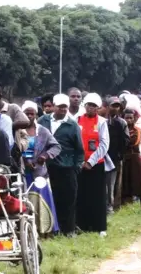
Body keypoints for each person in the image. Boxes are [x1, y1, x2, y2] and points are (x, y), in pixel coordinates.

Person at [37, 94, 84, 236]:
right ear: (54, 107)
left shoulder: (72, 125)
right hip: (46, 167)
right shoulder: (43, 121)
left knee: (68, 199)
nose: (63, 109)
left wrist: (76, 166)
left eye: (65, 107)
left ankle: (68, 229)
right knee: (49, 198)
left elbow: (79, 149)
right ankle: (50, 229)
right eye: (60, 107)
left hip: (66, 167)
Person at [21, 100, 62, 233]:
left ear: (36, 115)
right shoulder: (17, 131)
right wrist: (24, 160)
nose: (29, 116)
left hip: (39, 173)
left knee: (42, 201)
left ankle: (44, 229)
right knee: (24, 200)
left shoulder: (43, 131)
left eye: (32, 114)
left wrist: (45, 156)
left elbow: (56, 146)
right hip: (22, 173)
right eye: (27, 114)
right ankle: (26, 230)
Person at [76, 93, 110, 236]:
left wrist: (91, 161)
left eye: (94, 106)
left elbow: (104, 144)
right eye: (89, 105)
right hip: (80, 164)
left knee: (98, 195)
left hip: (96, 165)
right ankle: (82, 225)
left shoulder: (102, 122)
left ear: (98, 108)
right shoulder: (77, 120)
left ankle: (99, 226)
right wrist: (80, 161)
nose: (91, 108)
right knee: (81, 195)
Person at [100, 97, 129, 214]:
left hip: (114, 158)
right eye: (113, 105)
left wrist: (119, 154)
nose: (115, 108)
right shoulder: (101, 121)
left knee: (112, 184)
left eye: (117, 106)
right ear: (107, 106)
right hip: (100, 156)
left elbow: (126, 141)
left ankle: (110, 207)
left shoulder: (122, 123)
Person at [121, 109, 141, 211]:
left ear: (134, 118)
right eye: (126, 118)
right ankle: (124, 208)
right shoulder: (121, 129)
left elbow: (133, 142)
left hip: (135, 158)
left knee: (140, 183)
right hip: (124, 159)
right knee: (125, 183)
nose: (128, 120)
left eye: (130, 118)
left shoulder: (138, 130)